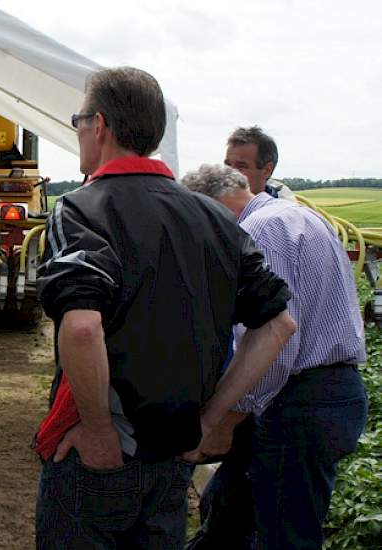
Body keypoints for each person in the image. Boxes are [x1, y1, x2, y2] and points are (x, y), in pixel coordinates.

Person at [32, 67, 297, 550]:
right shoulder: (217, 218)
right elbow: (279, 323)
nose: (78, 132)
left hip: (103, 456)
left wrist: (96, 429)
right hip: (174, 455)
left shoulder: (80, 209)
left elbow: (84, 328)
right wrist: (211, 419)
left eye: (78, 120)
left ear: (100, 126)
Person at [183, 164, 368, 549]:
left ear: (211, 208)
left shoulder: (259, 231)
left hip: (299, 399)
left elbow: (274, 341)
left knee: (284, 536)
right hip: (330, 393)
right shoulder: (299, 216)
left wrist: (225, 419)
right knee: (233, 509)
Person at [224, 126, 295, 200]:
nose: (229, 173)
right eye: (227, 165)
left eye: (241, 166)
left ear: (266, 171)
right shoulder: (214, 206)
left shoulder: (285, 209)